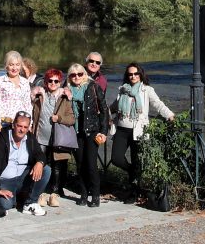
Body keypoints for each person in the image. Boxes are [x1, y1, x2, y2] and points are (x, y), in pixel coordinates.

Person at [110, 62, 175, 203]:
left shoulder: (147, 90)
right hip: (121, 129)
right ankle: (132, 171)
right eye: (130, 74)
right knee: (116, 158)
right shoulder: (123, 90)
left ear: (140, 75)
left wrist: (169, 115)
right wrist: (105, 114)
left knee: (136, 160)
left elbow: (157, 104)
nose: (133, 76)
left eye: (135, 74)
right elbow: (115, 106)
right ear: (127, 76)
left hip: (138, 131)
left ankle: (134, 193)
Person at [0, 110, 51, 217]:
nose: (22, 130)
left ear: (28, 127)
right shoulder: (2, 139)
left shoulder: (30, 138)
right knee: (5, 206)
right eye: (19, 126)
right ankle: (2, 201)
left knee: (46, 170)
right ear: (14, 125)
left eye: (25, 127)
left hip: (22, 178)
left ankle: (29, 203)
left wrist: (40, 162)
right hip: (5, 181)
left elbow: (39, 153)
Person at [67, 62, 108, 207]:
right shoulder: (67, 90)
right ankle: (84, 194)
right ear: (69, 77)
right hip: (75, 132)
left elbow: (104, 110)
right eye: (73, 74)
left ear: (84, 74)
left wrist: (104, 132)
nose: (76, 77)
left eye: (79, 74)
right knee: (80, 165)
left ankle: (95, 195)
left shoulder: (93, 87)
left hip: (92, 131)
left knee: (91, 164)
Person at [31, 68, 73, 208]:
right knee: (41, 164)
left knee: (57, 167)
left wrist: (59, 118)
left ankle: (54, 193)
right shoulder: (39, 96)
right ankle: (40, 193)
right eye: (50, 80)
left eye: (56, 81)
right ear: (45, 82)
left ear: (60, 82)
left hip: (57, 138)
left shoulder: (64, 98)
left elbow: (71, 119)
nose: (53, 83)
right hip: (40, 137)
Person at [0, 51, 33, 140]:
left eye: (17, 65)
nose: (14, 68)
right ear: (6, 66)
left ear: (20, 66)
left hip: (21, 124)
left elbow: (27, 104)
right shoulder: (0, 81)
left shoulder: (25, 82)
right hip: (4, 123)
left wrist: (29, 123)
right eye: (11, 64)